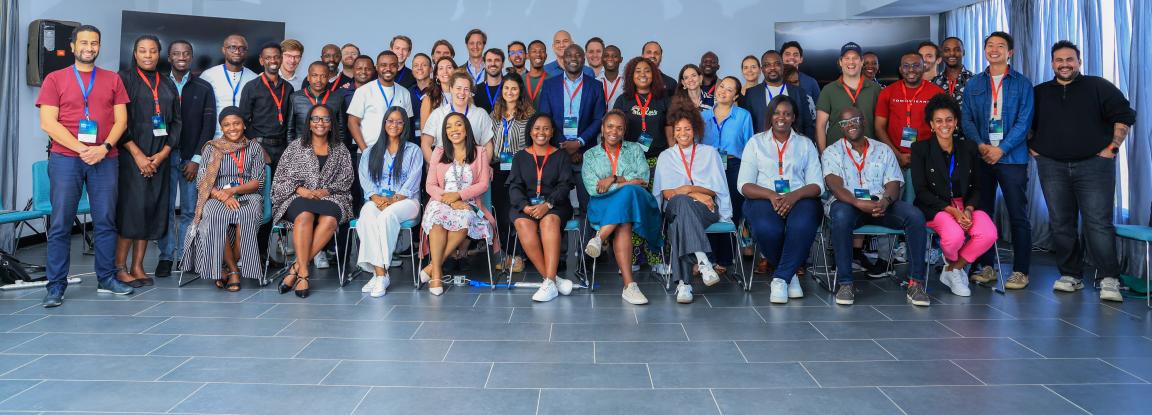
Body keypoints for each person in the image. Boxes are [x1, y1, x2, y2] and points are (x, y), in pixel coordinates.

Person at [37, 25, 134, 307]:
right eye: (84, 43)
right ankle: (56, 286)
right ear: (72, 46)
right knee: (60, 223)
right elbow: (48, 123)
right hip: (66, 159)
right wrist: (82, 149)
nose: (89, 48)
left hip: (105, 158)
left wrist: (103, 148)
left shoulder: (113, 79)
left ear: (99, 46)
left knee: (105, 221)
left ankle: (107, 278)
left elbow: (121, 121)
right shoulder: (55, 79)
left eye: (94, 43)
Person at [1032, 40, 1136, 301]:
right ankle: (1071, 275)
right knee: (1060, 223)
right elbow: (1024, 123)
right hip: (1052, 167)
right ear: (1052, 63)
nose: (1064, 64)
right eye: (1059, 60)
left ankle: (1109, 278)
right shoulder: (1039, 92)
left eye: (1070, 59)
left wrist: (1112, 148)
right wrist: (1033, 149)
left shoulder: (1098, 86)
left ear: (1079, 61)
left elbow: (1124, 115)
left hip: (1094, 166)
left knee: (1098, 223)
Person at [823, 107, 929, 306]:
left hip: (881, 203)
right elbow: (835, 186)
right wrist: (857, 202)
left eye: (854, 120)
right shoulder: (832, 152)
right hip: (849, 204)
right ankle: (845, 283)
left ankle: (916, 283)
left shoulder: (883, 149)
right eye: (845, 122)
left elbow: (893, 183)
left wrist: (886, 201)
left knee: (915, 216)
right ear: (841, 127)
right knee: (841, 217)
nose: (850, 125)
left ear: (863, 121)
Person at [960, 31, 1034, 289]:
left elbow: (1024, 122)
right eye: (990, 45)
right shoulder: (974, 84)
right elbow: (966, 119)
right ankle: (986, 266)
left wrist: (1001, 149)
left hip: (1012, 158)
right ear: (984, 51)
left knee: (1018, 215)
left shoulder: (1022, 84)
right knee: (983, 214)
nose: (994, 50)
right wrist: (981, 145)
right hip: (981, 157)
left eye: (1000, 46)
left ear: (1009, 52)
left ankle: (1021, 271)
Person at [738, 95, 824, 304]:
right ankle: (790, 275)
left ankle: (780, 279)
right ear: (770, 116)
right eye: (777, 113)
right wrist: (771, 195)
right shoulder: (756, 142)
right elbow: (744, 185)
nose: (781, 117)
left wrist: (793, 196)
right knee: (768, 228)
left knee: (802, 225)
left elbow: (817, 185)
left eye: (787, 113)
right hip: (763, 197)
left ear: (793, 117)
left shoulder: (805, 144)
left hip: (800, 197)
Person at [911, 93, 995, 298]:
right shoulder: (920, 149)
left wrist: (968, 209)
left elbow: (977, 186)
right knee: (954, 236)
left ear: (956, 122)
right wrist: (952, 212)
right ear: (932, 124)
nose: (944, 125)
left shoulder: (969, 148)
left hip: (966, 205)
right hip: (936, 207)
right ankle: (953, 267)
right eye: (939, 121)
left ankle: (953, 269)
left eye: (949, 120)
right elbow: (921, 191)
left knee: (989, 233)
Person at [114, 35, 180, 288]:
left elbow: (177, 122)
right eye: (143, 51)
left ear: (159, 53)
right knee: (132, 212)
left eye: (153, 51)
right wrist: (138, 155)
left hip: (159, 158)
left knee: (150, 211)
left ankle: (138, 266)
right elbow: (117, 121)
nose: (148, 55)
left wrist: (163, 154)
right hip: (131, 156)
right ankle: (119, 267)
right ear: (135, 53)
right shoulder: (123, 79)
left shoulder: (167, 83)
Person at [179, 107, 267, 292]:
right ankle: (234, 270)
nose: (232, 128)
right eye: (227, 125)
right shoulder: (212, 148)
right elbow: (203, 180)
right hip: (216, 195)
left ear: (244, 125)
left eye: (236, 123)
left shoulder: (254, 148)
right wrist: (223, 196)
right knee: (213, 214)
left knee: (248, 215)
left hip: (247, 194)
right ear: (221, 127)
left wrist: (232, 191)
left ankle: (226, 266)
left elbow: (257, 182)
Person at [271, 104, 354, 298]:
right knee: (304, 215)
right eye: (315, 119)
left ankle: (296, 269)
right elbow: (280, 178)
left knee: (330, 220)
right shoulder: (296, 147)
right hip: (297, 195)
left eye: (325, 119)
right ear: (309, 123)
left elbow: (347, 178)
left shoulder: (340, 149)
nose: (320, 123)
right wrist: (301, 190)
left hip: (331, 196)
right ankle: (304, 274)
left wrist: (326, 190)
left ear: (331, 124)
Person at [652, 105, 732, 304]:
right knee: (681, 202)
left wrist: (687, 189)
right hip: (675, 205)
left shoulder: (710, 153)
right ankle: (703, 260)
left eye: (687, 128)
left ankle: (684, 284)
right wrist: (693, 192)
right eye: (678, 129)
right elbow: (667, 193)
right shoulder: (666, 156)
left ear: (695, 130)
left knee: (679, 222)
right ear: (673, 132)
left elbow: (716, 189)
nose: (682, 133)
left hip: (705, 209)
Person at [582, 110, 662, 305]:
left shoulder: (635, 149)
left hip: (637, 203)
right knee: (624, 218)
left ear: (624, 131)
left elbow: (643, 179)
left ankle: (600, 237)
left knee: (628, 194)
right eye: (610, 126)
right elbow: (593, 188)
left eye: (619, 128)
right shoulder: (590, 155)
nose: (614, 131)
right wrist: (626, 183)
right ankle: (629, 286)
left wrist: (613, 179)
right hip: (603, 204)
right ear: (602, 128)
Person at [156, 39, 216, 278]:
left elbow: (208, 125)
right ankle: (165, 256)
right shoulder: (159, 83)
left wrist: (197, 158)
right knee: (165, 209)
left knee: (191, 210)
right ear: (169, 57)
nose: (181, 57)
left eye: (186, 53)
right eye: (176, 53)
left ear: (191, 57)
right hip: (164, 156)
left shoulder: (203, 87)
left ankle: (185, 256)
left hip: (192, 158)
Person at [420, 112, 498, 295]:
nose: (453, 130)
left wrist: (459, 196)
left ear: (466, 129)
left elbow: (483, 184)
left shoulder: (480, 152)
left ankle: (432, 268)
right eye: (448, 127)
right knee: (437, 220)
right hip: (441, 200)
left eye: (458, 124)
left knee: (464, 221)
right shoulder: (439, 152)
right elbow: (430, 185)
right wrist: (450, 201)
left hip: (468, 202)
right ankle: (436, 274)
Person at [508, 114, 577, 302]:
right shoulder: (520, 157)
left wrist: (548, 204)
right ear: (530, 131)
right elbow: (514, 186)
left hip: (555, 205)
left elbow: (565, 185)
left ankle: (549, 282)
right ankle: (551, 280)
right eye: (537, 128)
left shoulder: (561, 156)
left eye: (546, 128)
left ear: (552, 132)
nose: (541, 132)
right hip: (527, 205)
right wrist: (525, 206)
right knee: (522, 223)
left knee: (549, 221)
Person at [357, 107, 424, 298]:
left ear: (405, 125)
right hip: (378, 199)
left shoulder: (413, 150)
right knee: (366, 214)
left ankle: (379, 273)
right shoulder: (370, 151)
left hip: (407, 201)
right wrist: (376, 198)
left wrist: (393, 199)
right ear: (384, 123)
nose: (394, 125)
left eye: (399, 122)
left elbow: (412, 182)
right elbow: (366, 180)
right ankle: (380, 274)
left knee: (386, 216)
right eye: (390, 121)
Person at [536, 44, 607, 213]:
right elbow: (545, 118)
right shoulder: (549, 85)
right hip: (556, 152)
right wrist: (565, 145)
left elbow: (599, 119)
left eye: (578, 55)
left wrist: (579, 143)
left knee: (587, 205)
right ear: (563, 59)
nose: (573, 58)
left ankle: (587, 231)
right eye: (569, 55)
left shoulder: (595, 86)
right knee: (555, 205)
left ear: (584, 59)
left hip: (585, 154)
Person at [701, 76, 754, 274]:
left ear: (736, 96)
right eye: (722, 86)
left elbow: (749, 145)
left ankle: (725, 258)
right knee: (709, 209)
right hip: (708, 167)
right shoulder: (704, 116)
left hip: (734, 166)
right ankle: (709, 257)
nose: (723, 91)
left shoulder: (743, 115)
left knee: (731, 211)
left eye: (730, 89)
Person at [874, 52, 945, 182]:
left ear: (924, 67)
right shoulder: (887, 92)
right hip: (893, 158)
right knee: (895, 194)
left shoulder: (937, 93)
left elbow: (943, 128)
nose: (911, 70)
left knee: (921, 194)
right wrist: (897, 155)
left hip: (926, 159)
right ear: (900, 69)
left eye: (916, 65)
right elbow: (879, 127)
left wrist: (924, 155)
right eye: (906, 66)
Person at [490, 72, 535, 273]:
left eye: (514, 88)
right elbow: (488, 140)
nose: (510, 92)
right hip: (498, 169)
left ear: (520, 91)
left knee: (516, 212)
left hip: (520, 170)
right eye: (506, 88)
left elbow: (531, 144)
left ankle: (520, 256)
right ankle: (507, 255)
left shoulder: (529, 115)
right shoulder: (494, 114)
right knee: (501, 214)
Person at [815, 42, 881, 152]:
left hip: (869, 154)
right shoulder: (828, 90)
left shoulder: (875, 89)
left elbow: (881, 125)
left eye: (855, 58)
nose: (851, 62)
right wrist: (824, 156)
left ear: (862, 61)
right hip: (837, 155)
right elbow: (820, 126)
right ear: (840, 62)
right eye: (847, 58)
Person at [348, 51, 414, 152]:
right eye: (384, 65)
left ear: (397, 67)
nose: (388, 69)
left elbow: (407, 124)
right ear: (377, 67)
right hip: (369, 151)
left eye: (392, 65)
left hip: (397, 153)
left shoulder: (404, 92)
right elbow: (352, 123)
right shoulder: (363, 91)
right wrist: (365, 151)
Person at [239, 43, 293, 167]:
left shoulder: (288, 88)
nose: (273, 60)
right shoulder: (251, 87)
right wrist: (258, 149)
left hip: (283, 147)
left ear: (281, 59)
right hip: (259, 145)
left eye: (276, 57)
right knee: (262, 180)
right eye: (268, 58)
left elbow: (290, 121)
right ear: (261, 61)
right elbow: (243, 119)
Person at [421, 72, 496, 161]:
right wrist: (435, 165)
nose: (462, 93)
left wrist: (483, 166)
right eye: (458, 88)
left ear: (470, 93)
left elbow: (488, 145)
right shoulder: (438, 114)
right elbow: (425, 144)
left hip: (473, 166)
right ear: (451, 89)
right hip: (444, 166)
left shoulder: (480, 114)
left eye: (466, 89)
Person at [741, 50, 816, 138]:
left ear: (782, 66)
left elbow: (808, 125)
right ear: (762, 69)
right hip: (762, 145)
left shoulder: (799, 92)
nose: (772, 68)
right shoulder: (751, 94)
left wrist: (806, 143)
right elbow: (747, 127)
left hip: (794, 143)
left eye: (777, 64)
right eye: (767, 65)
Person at [614, 57, 672, 161]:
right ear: (631, 75)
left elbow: (670, 128)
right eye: (638, 71)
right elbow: (615, 129)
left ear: (653, 75)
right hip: (630, 159)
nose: (643, 74)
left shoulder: (663, 99)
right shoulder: (622, 100)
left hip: (659, 158)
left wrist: (673, 154)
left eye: (647, 71)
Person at [201, 34, 256, 137]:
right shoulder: (208, 75)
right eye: (232, 47)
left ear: (246, 52)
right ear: (223, 50)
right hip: (215, 137)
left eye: (242, 48)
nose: (237, 51)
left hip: (244, 138)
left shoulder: (254, 78)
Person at [420, 57, 459, 134]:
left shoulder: (464, 95)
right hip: (437, 140)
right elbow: (424, 131)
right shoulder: (429, 98)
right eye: (441, 68)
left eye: (449, 67)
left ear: (455, 72)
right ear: (436, 75)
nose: (445, 71)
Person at [932, 37, 974, 104]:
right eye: (947, 50)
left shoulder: (975, 80)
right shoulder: (933, 83)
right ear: (941, 54)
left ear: (963, 52)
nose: (952, 53)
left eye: (957, 50)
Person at [780, 41, 821, 106]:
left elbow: (819, 108)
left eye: (795, 55)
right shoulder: (773, 80)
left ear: (801, 59)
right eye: (787, 54)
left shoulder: (811, 82)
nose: (791, 57)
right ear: (780, 58)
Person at [409, 53, 433, 137]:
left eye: (424, 65)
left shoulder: (439, 91)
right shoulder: (407, 93)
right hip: (412, 140)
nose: (419, 68)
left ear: (431, 69)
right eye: (415, 65)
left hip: (435, 140)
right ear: (412, 70)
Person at [473, 48, 505, 112]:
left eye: (497, 60)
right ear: (484, 64)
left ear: (503, 64)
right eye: (489, 60)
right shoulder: (475, 90)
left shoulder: (509, 89)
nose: (493, 64)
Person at [598, 45, 625, 110]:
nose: (610, 59)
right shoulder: (595, 81)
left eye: (615, 56)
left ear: (621, 59)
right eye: (606, 56)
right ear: (601, 59)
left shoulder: (627, 81)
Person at [525, 40, 549, 107]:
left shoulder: (553, 80)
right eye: (534, 51)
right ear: (527, 56)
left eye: (542, 51)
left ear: (546, 56)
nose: (538, 54)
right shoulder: (519, 80)